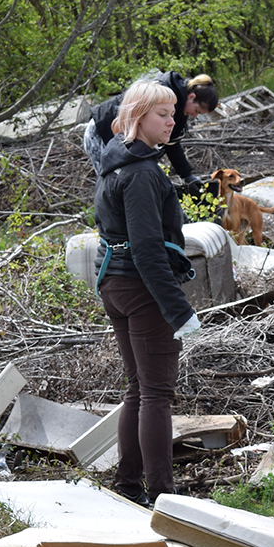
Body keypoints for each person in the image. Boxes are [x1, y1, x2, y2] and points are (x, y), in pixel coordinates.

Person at [93, 80, 203, 508]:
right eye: (163, 114)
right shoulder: (139, 173)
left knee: (138, 389)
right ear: (139, 117)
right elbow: (145, 248)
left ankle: (128, 484)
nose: (172, 120)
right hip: (141, 289)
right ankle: (162, 495)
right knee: (156, 392)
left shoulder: (115, 163)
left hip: (116, 286)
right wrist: (178, 310)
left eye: (174, 113)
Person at [84, 73, 220, 185]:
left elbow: (171, 142)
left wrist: (187, 175)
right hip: (101, 130)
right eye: (196, 110)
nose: (195, 116)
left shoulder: (178, 110)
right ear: (191, 97)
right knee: (111, 181)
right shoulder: (164, 93)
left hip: (124, 139)